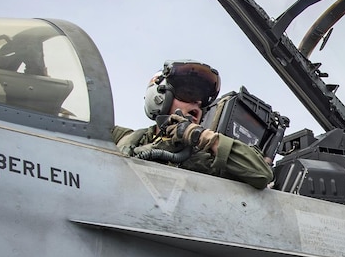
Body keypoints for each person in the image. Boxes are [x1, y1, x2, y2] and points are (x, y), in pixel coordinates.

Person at [112, 60, 273, 191]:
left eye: (202, 102)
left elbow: (261, 173)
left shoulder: (206, 158)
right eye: (188, 94)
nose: (196, 105)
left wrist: (201, 137)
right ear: (159, 96)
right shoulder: (123, 138)